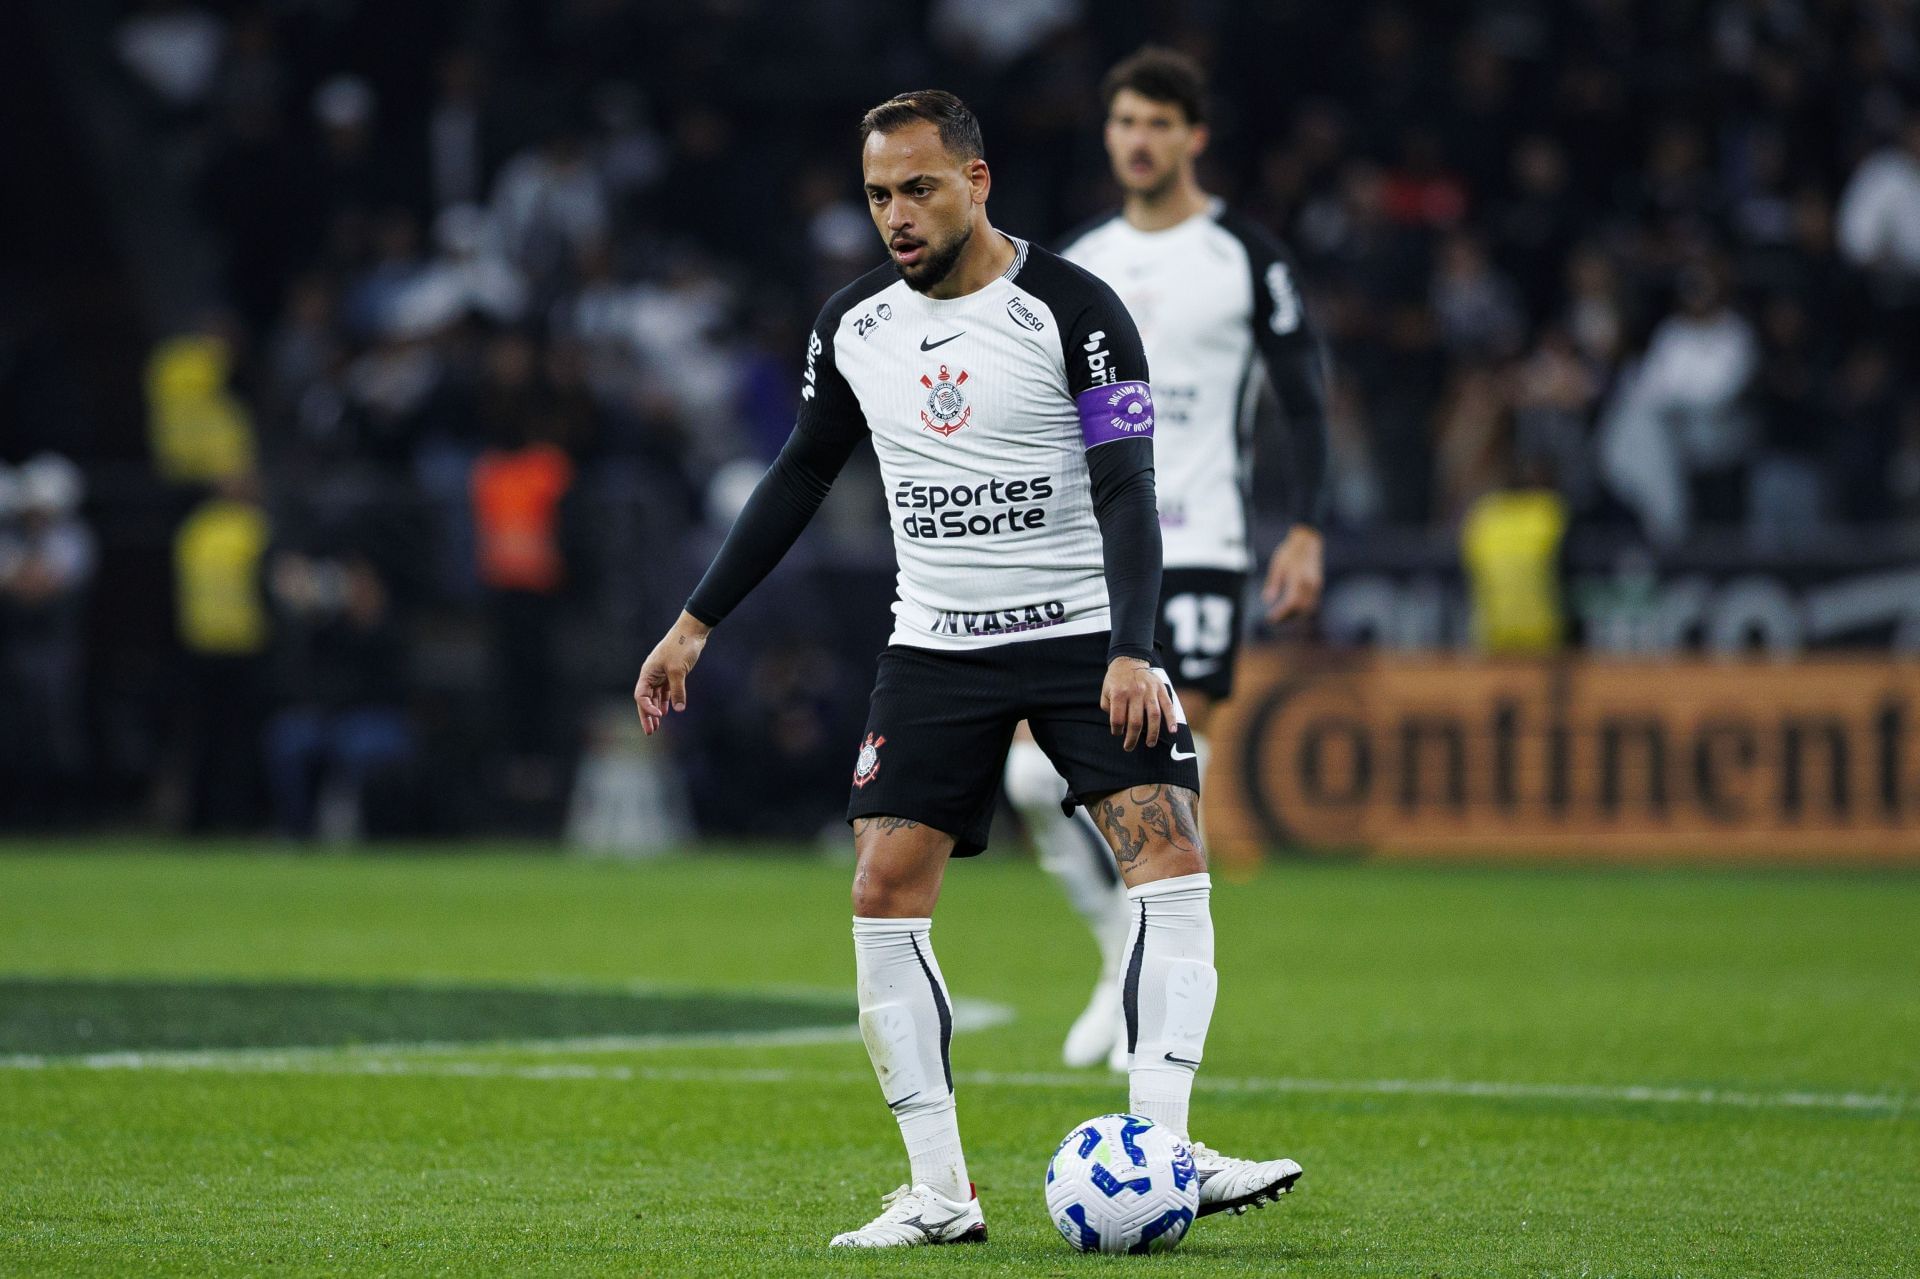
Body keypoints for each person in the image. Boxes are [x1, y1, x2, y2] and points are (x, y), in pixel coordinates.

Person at [634, 90, 1302, 1248]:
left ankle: (1162, 1145)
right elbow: (798, 477)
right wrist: (696, 621)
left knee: (1170, 857)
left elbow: (1126, 486)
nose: (896, 214)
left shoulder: (1077, 311)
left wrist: (1136, 645)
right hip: (937, 643)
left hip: (1086, 634)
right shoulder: (853, 327)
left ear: (977, 181)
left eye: (919, 187)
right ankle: (942, 1196)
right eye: (879, 194)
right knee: (882, 892)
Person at [1002, 47, 1331, 1071]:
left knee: (1168, 782)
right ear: (1109, 137)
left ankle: (1158, 1002)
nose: (1138, 141)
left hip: (1202, 542)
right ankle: (1118, 952)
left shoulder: (1246, 255)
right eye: (1124, 124)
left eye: (1158, 124)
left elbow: (1304, 397)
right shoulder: (1079, 260)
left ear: (1194, 136)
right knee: (1024, 778)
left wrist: (1307, 528)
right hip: (1089, 548)